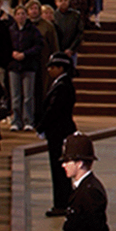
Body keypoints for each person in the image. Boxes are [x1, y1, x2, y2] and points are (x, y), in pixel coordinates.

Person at [37, 52, 77, 217]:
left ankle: (61, 203)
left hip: (59, 132)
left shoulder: (63, 86)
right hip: (58, 131)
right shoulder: (60, 84)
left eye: (52, 67)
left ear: (61, 68)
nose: (49, 70)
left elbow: (54, 110)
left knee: (59, 169)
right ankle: (62, 202)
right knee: (59, 169)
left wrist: (41, 126)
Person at [8, 6, 44, 133]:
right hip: (14, 66)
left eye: (23, 14)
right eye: (18, 14)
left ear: (26, 15)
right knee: (15, 96)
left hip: (29, 65)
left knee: (28, 96)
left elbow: (39, 45)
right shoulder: (10, 30)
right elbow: (4, 44)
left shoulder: (33, 30)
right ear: (15, 16)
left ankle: (28, 121)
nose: (21, 16)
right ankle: (16, 121)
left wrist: (25, 54)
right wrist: (12, 53)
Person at [54, 0, 85, 65]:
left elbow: (79, 33)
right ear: (56, 3)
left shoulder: (75, 15)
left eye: (65, 0)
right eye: (60, 0)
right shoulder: (54, 16)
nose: (63, 2)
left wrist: (71, 49)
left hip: (71, 50)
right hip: (57, 50)